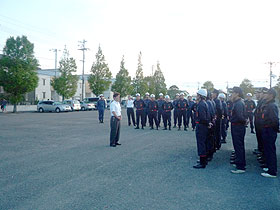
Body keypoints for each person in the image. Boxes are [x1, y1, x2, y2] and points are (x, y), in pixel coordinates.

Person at [260, 88, 279, 178]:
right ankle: (269, 167)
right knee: (267, 150)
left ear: (271, 95)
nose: (265, 95)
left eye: (267, 94)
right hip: (266, 130)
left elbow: (275, 120)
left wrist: (272, 130)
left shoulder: (272, 106)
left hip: (269, 131)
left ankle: (272, 171)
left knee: (270, 150)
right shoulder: (268, 105)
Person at [230, 87, 247, 174]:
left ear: (237, 93)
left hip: (238, 127)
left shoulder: (239, 103)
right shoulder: (237, 103)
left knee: (239, 145)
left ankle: (241, 166)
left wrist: (245, 122)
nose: (231, 94)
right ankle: (239, 162)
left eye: (233, 92)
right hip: (237, 126)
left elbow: (240, 117)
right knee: (237, 145)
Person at [193, 89, 211, 169]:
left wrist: (207, 123)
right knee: (203, 143)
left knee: (201, 143)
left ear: (200, 96)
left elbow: (203, 117)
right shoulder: (204, 103)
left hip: (201, 126)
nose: (196, 96)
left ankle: (202, 162)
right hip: (204, 126)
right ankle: (204, 160)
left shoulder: (201, 104)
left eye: (197, 95)